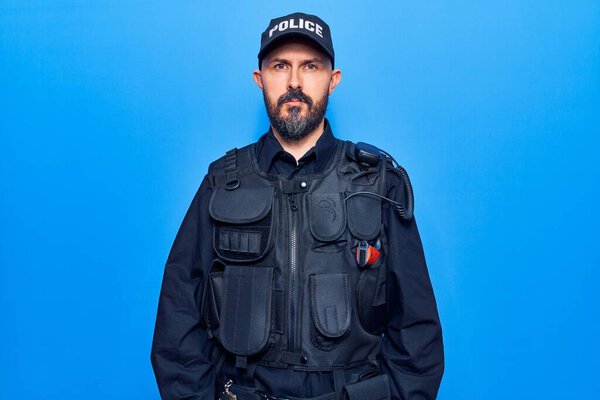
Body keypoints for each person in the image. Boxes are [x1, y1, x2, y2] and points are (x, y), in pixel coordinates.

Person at [151, 12, 444, 400]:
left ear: (332, 80)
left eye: (310, 66)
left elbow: (418, 330)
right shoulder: (221, 182)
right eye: (279, 66)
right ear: (260, 80)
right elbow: (177, 320)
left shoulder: (378, 184)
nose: (294, 82)